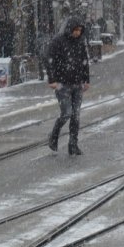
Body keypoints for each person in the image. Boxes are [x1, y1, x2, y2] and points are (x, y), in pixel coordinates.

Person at [46, 17, 90, 155]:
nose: (78, 33)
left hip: (77, 84)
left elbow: (84, 61)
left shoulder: (81, 42)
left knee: (76, 115)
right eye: (76, 30)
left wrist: (86, 79)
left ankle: (73, 144)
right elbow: (49, 59)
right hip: (62, 84)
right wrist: (52, 79)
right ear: (70, 28)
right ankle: (54, 135)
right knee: (67, 113)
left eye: (80, 30)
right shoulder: (58, 41)